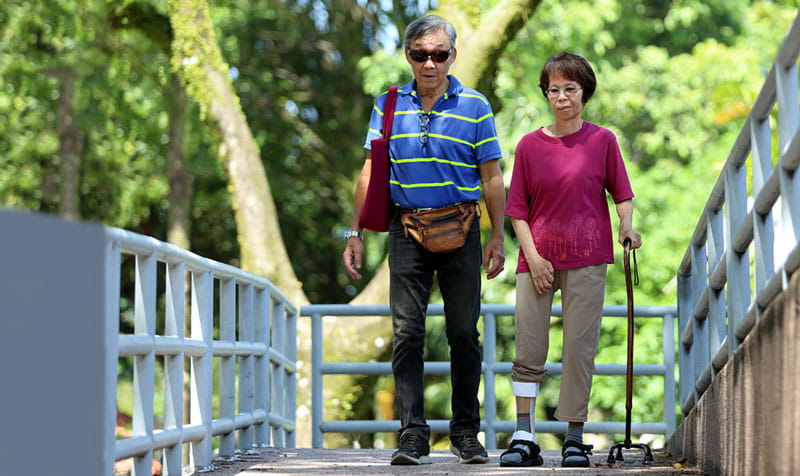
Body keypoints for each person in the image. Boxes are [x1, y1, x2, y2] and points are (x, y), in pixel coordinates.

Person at [342, 14, 506, 466]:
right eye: (420, 55)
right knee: (406, 333)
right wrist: (354, 233)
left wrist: (499, 237)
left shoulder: (475, 106)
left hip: (464, 229)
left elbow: (492, 175)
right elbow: (371, 171)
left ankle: (466, 433)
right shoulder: (388, 104)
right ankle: (412, 434)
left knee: (462, 334)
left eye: (438, 54)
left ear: (452, 56)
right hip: (406, 231)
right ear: (408, 56)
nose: (429, 63)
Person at [500, 52, 642, 468]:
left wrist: (626, 227)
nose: (562, 97)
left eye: (570, 89)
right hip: (536, 258)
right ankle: (524, 435)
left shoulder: (603, 141)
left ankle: (574, 437)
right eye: (554, 89)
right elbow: (516, 209)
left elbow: (623, 196)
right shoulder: (529, 145)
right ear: (546, 94)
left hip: (588, 257)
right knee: (529, 345)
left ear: (584, 92)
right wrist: (533, 255)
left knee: (579, 347)